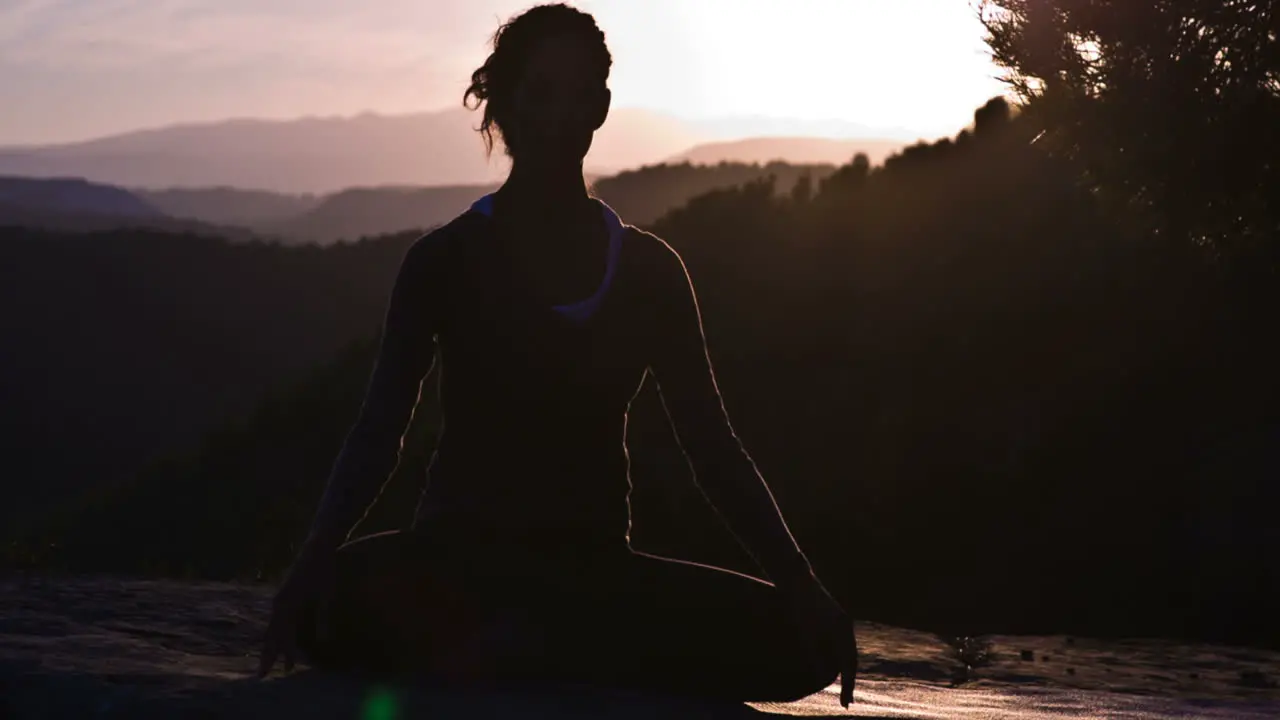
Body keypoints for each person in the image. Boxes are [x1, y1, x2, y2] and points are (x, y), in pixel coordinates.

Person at [257, 2, 856, 707]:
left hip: (593, 573)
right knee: (327, 604)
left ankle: (512, 652)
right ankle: (555, 654)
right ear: (504, 104)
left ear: (601, 107)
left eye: (578, 94)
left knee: (806, 643)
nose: (558, 113)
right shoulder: (441, 262)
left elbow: (712, 447)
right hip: (455, 564)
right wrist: (312, 559)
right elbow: (378, 430)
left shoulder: (649, 273)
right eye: (538, 92)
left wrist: (800, 583)